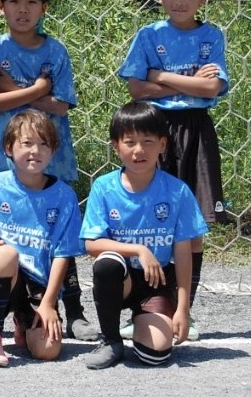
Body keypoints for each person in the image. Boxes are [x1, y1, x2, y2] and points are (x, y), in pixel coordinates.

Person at [0, 0, 96, 344]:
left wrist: (16, 88)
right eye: (15, 2)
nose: (23, 9)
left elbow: (62, 107)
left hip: (49, 158)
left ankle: (75, 311)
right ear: (1, 7)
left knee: (57, 236)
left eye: (32, 2)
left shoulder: (56, 51)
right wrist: (36, 89)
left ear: (44, 8)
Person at [119, 0, 229, 340]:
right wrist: (188, 81)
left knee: (191, 225)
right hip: (154, 129)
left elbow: (212, 88)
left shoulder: (211, 36)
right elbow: (135, 88)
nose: (179, 1)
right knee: (145, 219)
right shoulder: (149, 35)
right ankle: (140, 307)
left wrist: (160, 76)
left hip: (196, 132)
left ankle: (187, 311)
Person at [79, 101, 210, 369]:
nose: (139, 150)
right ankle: (111, 340)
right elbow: (92, 244)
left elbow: (185, 251)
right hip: (122, 277)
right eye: (130, 142)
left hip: (157, 281)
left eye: (148, 141)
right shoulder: (104, 187)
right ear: (116, 147)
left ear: (163, 145)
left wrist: (183, 309)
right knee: (107, 263)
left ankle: (144, 318)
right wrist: (139, 250)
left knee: (156, 355)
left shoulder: (177, 191)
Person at [0, 110, 83, 368]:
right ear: (9, 147)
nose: (35, 151)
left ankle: (24, 319)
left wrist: (50, 303)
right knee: (8, 253)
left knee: (48, 350)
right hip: (0, 274)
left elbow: (63, 253)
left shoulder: (65, 196)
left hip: (38, 282)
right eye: (27, 143)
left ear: (53, 151)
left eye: (44, 144)